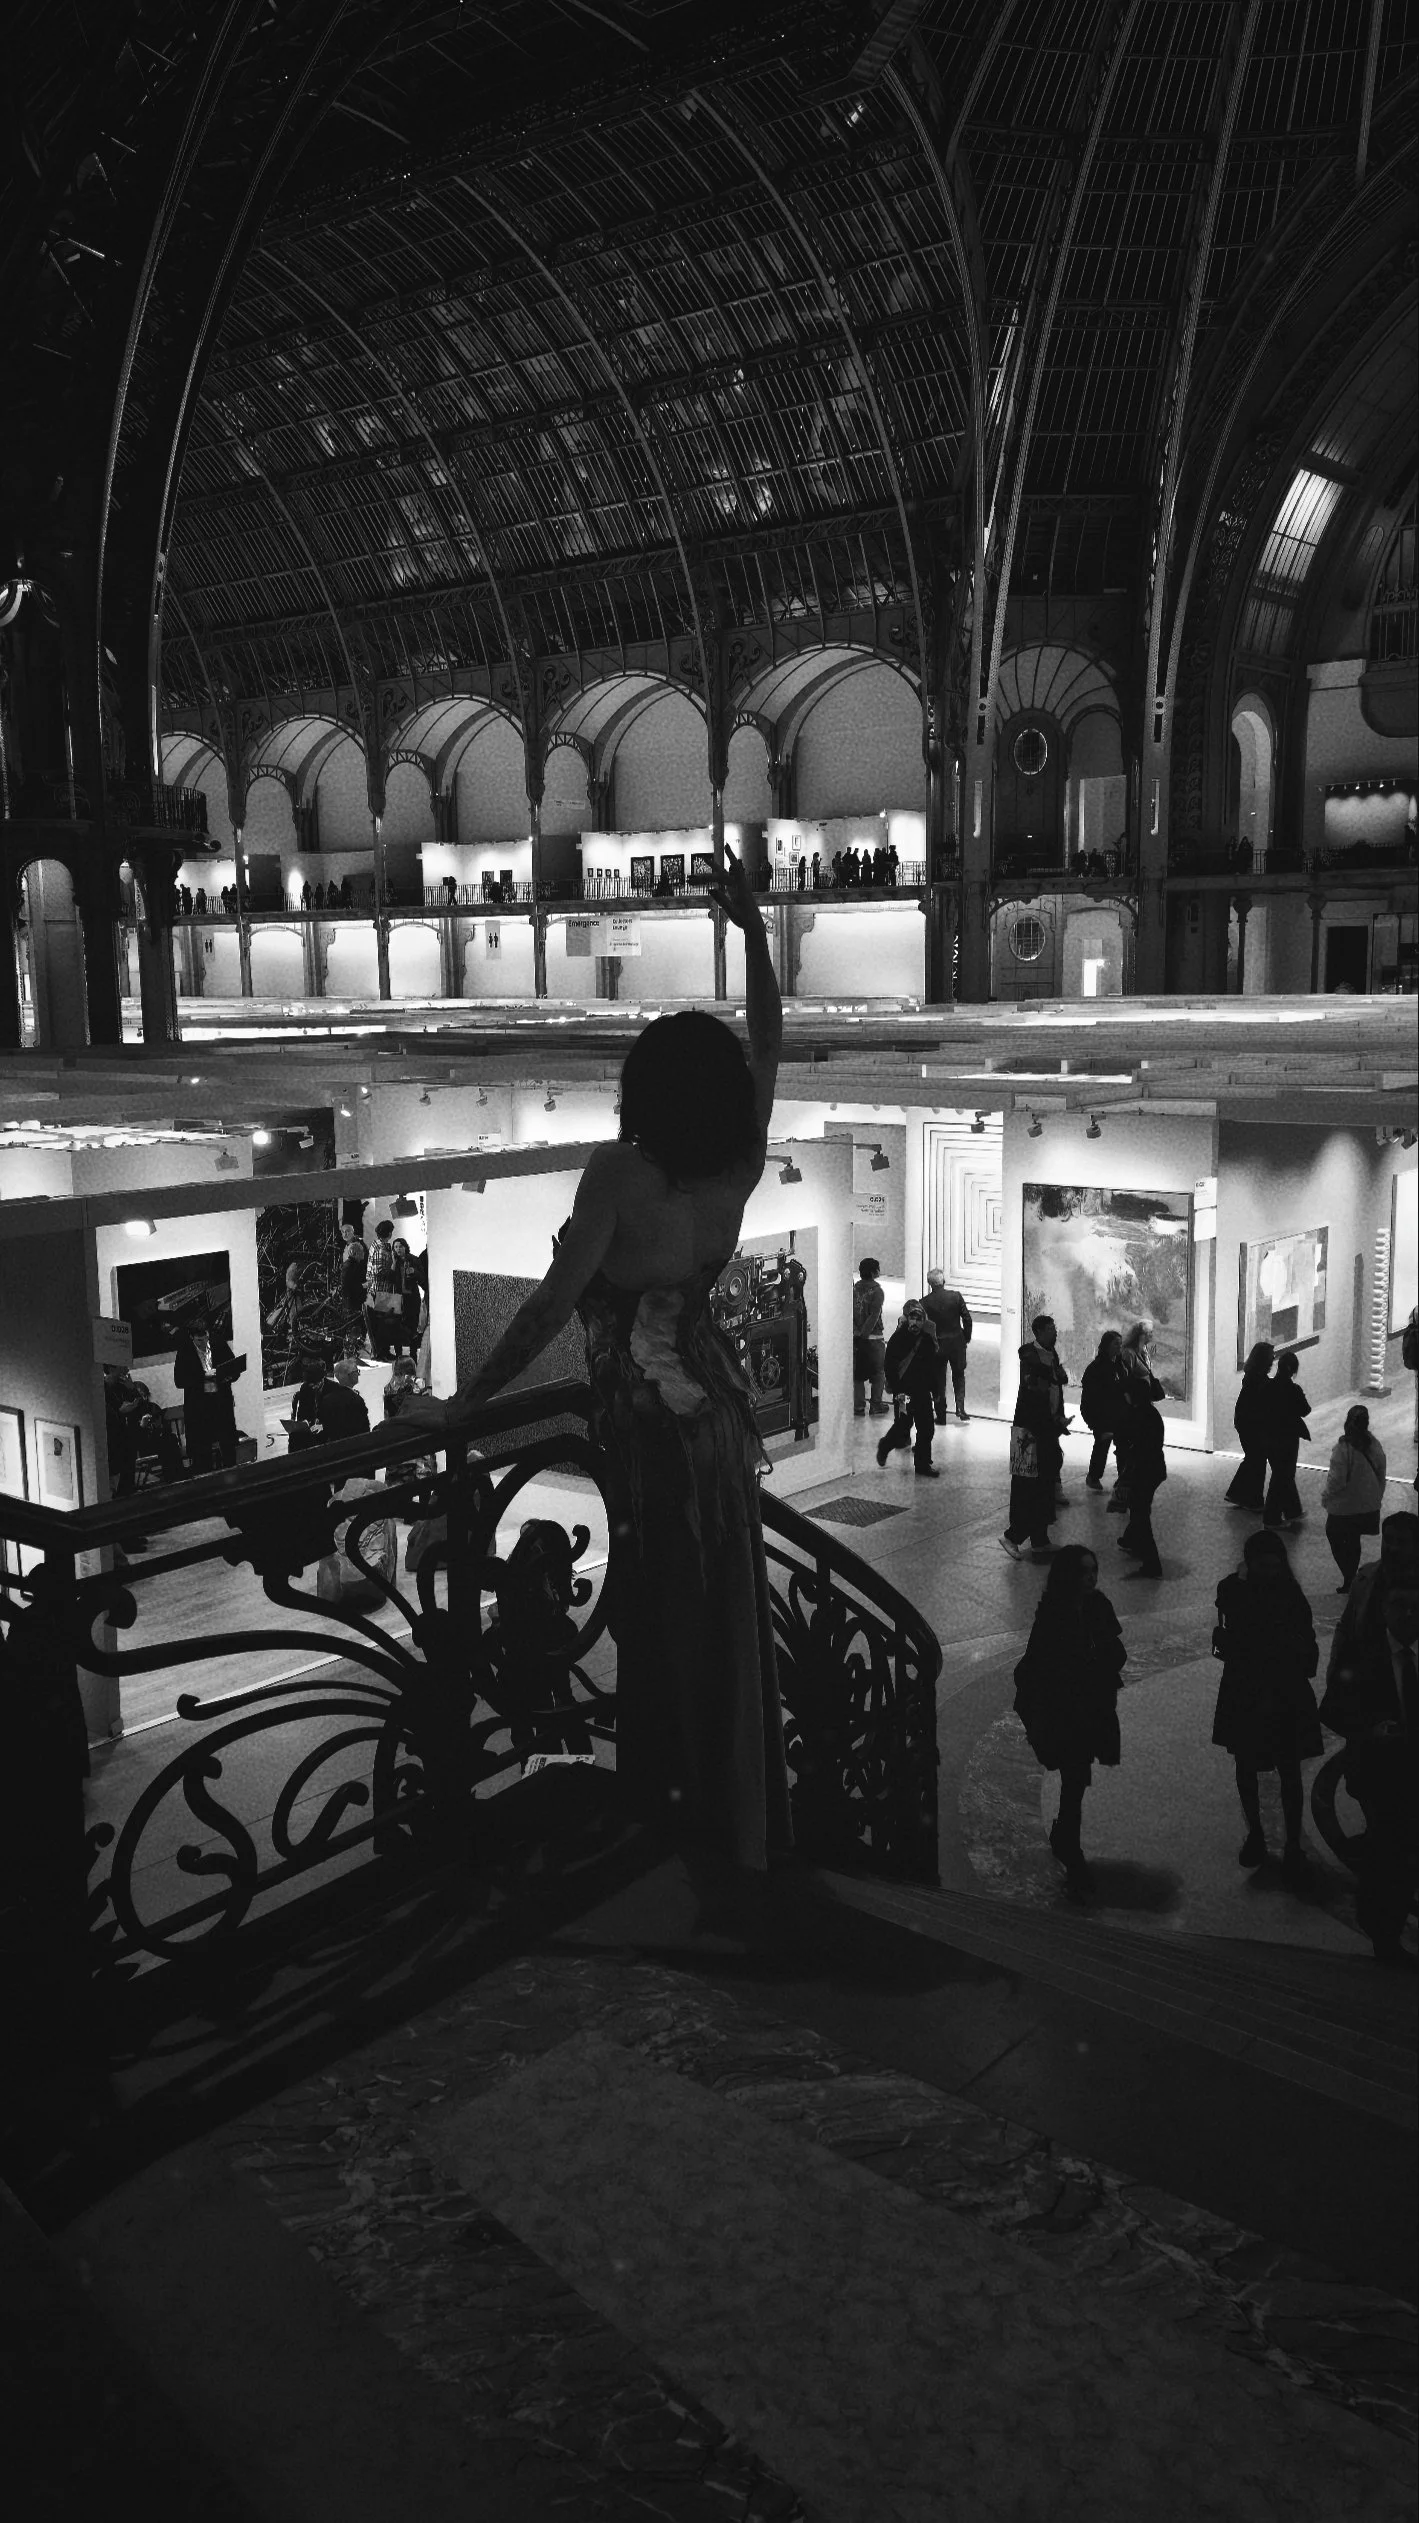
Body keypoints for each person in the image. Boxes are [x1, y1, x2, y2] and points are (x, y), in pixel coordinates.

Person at [405, 844, 792, 1894]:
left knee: (660, 1625)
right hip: (715, 1415)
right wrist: (756, 932)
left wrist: (466, 1403)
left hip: (647, 1428)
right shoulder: (739, 1162)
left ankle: (674, 1814)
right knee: (725, 1620)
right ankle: (736, 1815)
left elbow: (549, 1307)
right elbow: (768, 1040)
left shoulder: (619, 1175)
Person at [1318, 1512, 1418, 1965]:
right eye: (1389, 1539)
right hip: (1385, 1768)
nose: (1392, 1547)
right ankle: (1384, 1929)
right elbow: (1342, 1703)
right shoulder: (1371, 1663)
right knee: (1391, 1848)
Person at [1012, 1545, 1126, 1898]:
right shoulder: (1054, 1615)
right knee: (1075, 1775)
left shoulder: (1096, 1606)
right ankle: (1071, 1851)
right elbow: (1038, 1666)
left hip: (1088, 1706)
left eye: (1094, 1570)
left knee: (1076, 1777)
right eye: (1083, 1571)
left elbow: (1116, 1652)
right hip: (1067, 1709)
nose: (1091, 1577)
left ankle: (1067, 1840)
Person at [1211, 1530, 1321, 1887]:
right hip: (1278, 1688)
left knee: (1268, 1767)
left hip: (1251, 1688)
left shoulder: (1238, 1590)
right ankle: (1275, 1838)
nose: (1270, 1570)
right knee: (1276, 1768)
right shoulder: (1266, 1591)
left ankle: (1268, 1837)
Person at [1000, 1314, 1067, 1560]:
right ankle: (1012, 1536)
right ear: (1038, 1332)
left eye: (1055, 1328)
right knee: (1027, 1485)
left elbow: (1056, 1389)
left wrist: (1059, 1418)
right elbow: (1045, 1379)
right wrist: (1056, 1374)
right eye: (1051, 1329)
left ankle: (1040, 1539)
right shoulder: (1029, 1354)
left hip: (1047, 1429)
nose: (1055, 1333)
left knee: (1046, 1481)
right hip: (1029, 1432)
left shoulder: (1051, 1354)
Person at [1321, 1405, 1387, 1593]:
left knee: (1335, 1536)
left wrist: (1325, 1497)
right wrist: (1377, 1497)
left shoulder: (1343, 1448)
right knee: (1353, 1539)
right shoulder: (1374, 1444)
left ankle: (1349, 1576)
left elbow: (1336, 1480)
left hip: (1343, 1507)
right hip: (1367, 1505)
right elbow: (1381, 1473)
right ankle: (1351, 1577)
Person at [172, 1301, 240, 1473]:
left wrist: (228, 1375)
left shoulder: (217, 1343)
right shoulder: (185, 1351)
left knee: (228, 1448)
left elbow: (234, 1369)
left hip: (220, 1403)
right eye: (199, 1340)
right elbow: (179, 1381)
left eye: (205, 1338)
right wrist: (203, 1379)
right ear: (191, 1337)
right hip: (199, 1408)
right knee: (203, 1455)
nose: (203, 1343)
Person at [875, 1300, 940, 1478]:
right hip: (904, 1393)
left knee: (926, 1428)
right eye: (912, 1319)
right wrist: (898, 1390)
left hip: (922, 1392)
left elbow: (932, 1368)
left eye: (919, 1320)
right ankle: (885, 1445)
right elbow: (890, 1366)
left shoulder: (926, 1341)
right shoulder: (898, 1339)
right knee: (904, 1425)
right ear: (907, 1319)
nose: (915, 1323)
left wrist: (936, 1392)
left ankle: (922, 1464)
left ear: (923, 1322)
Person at [1116, 1364, 1167, 1579]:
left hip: (1143, 1471)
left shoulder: (1137, 1416)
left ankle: (1151, 1562)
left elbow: (1133, 1445)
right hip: (1153, 1469)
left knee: (1140, 1514)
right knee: (1140, 1510)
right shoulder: (1150, 1413)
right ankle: (1131, 1541)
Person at [1262, 1349, 1310, 1528]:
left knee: (1282, 1474)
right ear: (1292, 1370)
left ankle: (1293, 1511)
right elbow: (1305, 1410)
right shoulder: (1293, 1389)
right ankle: (1271, 1518)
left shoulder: (1268, 1386)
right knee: (1283, 1475)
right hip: (1288, 1439)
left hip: (1269, 1436)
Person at [1226, 1342, 1274, 1511]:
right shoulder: (1257, 1380)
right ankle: (1252, 1500)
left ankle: (1239, 1494)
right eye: (1271, 1357)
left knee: (1254, 1458)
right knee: (1257, 1458)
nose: (1273, 1360)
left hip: (1246, 1422)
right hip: (1250, 1424)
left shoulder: (1252, 1376)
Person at [922, 1268, 973, 1424]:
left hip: (937, 1346)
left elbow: (925, 1327)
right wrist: (966, 1337)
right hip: (957, 1343)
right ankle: (960, 1408)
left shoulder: (924, 1302)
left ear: (929, 1283)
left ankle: (941, 1415)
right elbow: (967, 1319)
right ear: (943, 1281)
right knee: (958, 1375)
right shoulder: (956, 1297)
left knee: (938, 1381)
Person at [1079, 1330, 1125, 1490]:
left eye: (1120, 1343)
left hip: (1119, 1415)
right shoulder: (1096, 1368)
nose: (1119, 1347)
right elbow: (1089, 1399)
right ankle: (1093, 1477)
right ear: (1106, 1346)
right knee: (1102, 1446)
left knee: (1123, 1448)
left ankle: (1123, 1480)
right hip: (1102, 1416)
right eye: (1115, 1344)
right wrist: (1094, 1422)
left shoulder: (1121, 1365)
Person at [290, 1355, 369, 1445]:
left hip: (328, 1428)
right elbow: (302, 1411)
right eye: (310, 1385)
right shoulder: (305, 1388)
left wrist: (323, 1426)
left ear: (321, 1381)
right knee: (295, 1438)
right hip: (311, 1426)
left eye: (314, 1385)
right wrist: (304, 1423)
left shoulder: (334, 1389)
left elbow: (339, 1418)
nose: (312, 1388)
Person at [852, 1257, 889, 1419]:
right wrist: (865, 1335)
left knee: (858, 1375)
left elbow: (852, 1313)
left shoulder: (854, 1289)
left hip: (855, 1337)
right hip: (873, 1339)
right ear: (874, 1272)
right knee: (879, 1373)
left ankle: (859, 1406)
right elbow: (874, 1316)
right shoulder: (877, 1291)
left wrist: (857, 1334)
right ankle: (875, 1405)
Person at [364, 1219, 404, 1362]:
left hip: (377, 1291)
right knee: (382, 1325)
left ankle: (384, 1352)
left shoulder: (376, 1245)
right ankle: (381, 1353)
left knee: (382, 1324)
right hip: (381, 1292)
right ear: (389, 1232)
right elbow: (381, 1272)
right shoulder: (382, 1248)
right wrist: (393, 1266)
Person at [338, 1219, 368, 1326]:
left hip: (357, 1285)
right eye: (343, 1232)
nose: (345, 1234)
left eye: (347, 1231)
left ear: (353, 1232)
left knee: (356, 1314)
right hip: (350, 1284)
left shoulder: (358, 1245)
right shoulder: (346, 1246)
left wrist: (360, 1285)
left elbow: (362, 1265)